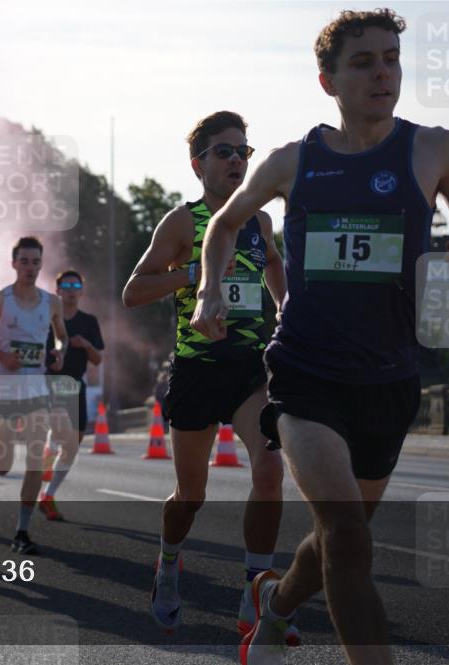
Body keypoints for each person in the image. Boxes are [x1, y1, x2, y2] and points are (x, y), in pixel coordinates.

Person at [191, 10, 449, 665]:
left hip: (390, 377)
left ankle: (275, 604)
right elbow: (223, 224)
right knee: (350, 537)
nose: (383, 72)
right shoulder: (292, 161)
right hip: (305, 374)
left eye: (391, 59)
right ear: (328, 80)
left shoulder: (437, 149)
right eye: (364, 62)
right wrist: (209, 289)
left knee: (334, 540)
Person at [122, 110, 288, 639]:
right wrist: (192, 274)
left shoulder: (259, 222)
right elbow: (133, 291)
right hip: (196, 369)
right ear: (198, 164)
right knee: (191, 496)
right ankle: (169, 563)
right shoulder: (180, 222)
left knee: (268, 469)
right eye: (224, 151)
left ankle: (252, 590)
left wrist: (287, 310)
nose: (237, 160)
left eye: (244, 151)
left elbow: (276, 271)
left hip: (250, 370)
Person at [0, 236, 68, 554]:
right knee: (2, 464)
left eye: (35, 262)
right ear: (14, 263)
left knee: (36, 459)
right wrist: (0, 356)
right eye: (24, 261)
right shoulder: (0, 299)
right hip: (3, 389)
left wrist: (59, 352)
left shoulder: (52, 302)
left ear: (40, 264)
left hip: (36, 390)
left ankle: (22, 531)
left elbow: (62, 336)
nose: (29, 267)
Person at [37, 269, 104, 522]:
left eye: (76, 284)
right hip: (50, 382)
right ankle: (50, 445)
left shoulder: (89, 322)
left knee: (74, 442)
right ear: (58, 291)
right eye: (66, 285)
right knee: (60, 426)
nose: (71, 289)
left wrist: (85, 344)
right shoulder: (47, 319)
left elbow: (97, 360)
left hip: (75, 384)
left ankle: (48, 495)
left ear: (81, 291)